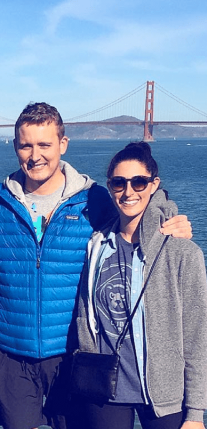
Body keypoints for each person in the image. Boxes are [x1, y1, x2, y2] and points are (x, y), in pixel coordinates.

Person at [0, 102, 192, 429]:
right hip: (12, 353)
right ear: (15, 146)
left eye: (44, 144)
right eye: (26, 145)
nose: (35, 154)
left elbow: (134, 208)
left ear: (63, 145)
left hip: (73, 354)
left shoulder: (94, 199)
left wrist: (167, 215)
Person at [74, 142, 207, 429]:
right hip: (105, 389)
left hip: (164, 394)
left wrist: (196, 413)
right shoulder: (97, 246)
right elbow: (85, 312)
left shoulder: (182, 252)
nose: (129, 192)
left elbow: (197, 337)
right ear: (110, 187)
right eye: (119, 183)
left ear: (154, 184)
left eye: (139, 182)